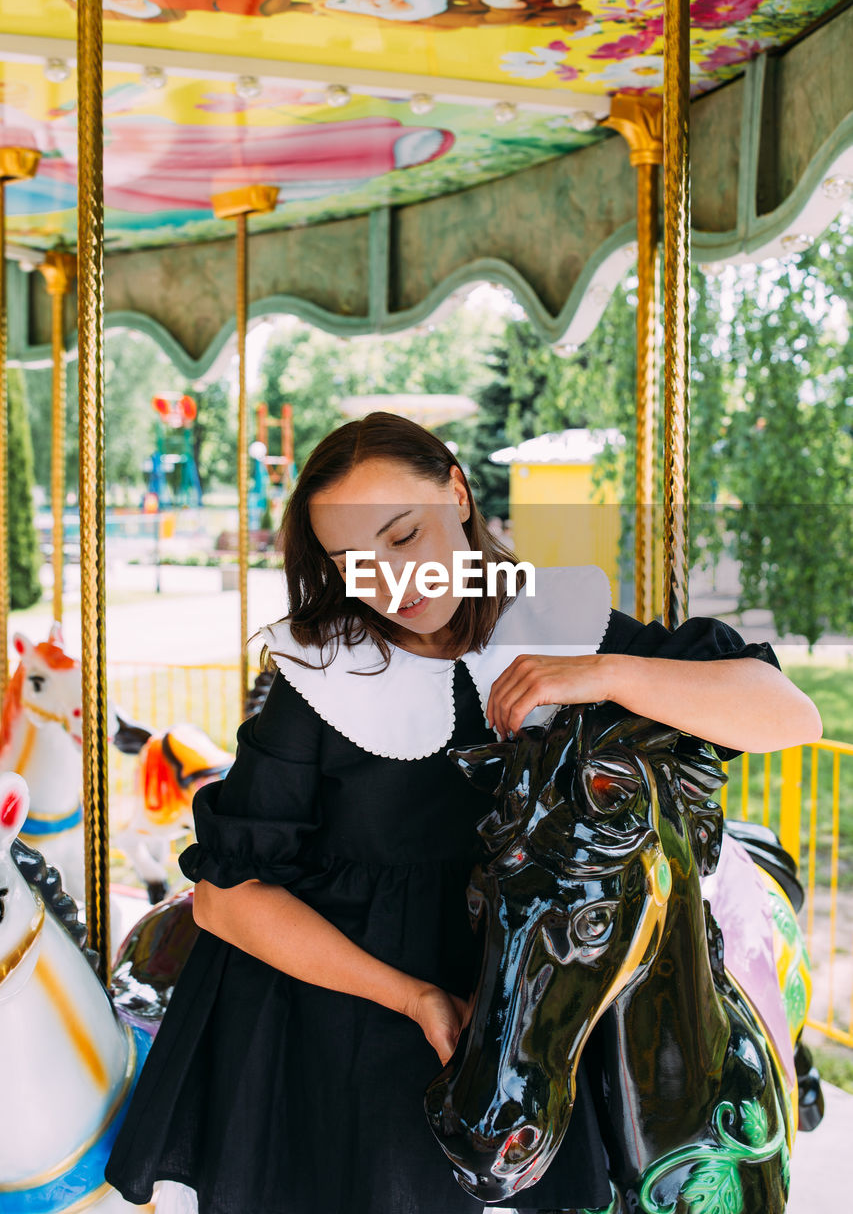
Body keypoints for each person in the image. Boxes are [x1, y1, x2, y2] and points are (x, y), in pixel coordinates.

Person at [104, 412, 822, 1214]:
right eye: (351, 562)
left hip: (536, 1016)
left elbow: (788, 717)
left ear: (456, 490)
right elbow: (227, 899)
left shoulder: (561, 630)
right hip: (355, 1024)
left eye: (404, 536)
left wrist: (604, 673)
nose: (389, 582)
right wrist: (414, 997)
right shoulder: (319, 682)